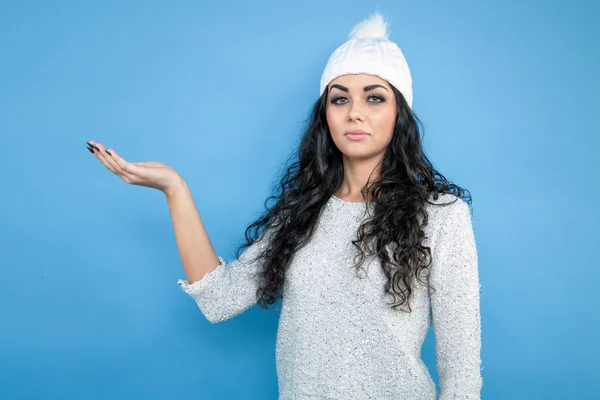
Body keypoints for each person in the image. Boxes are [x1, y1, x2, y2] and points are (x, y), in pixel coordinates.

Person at [86, 10, 482, 400]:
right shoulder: (302, 214)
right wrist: (174, 189)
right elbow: (220, 300)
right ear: (324, 115)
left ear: (399, 113)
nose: (355, 112)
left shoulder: (441, 216)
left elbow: (461, 376)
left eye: (374, 98)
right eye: (339, 99)